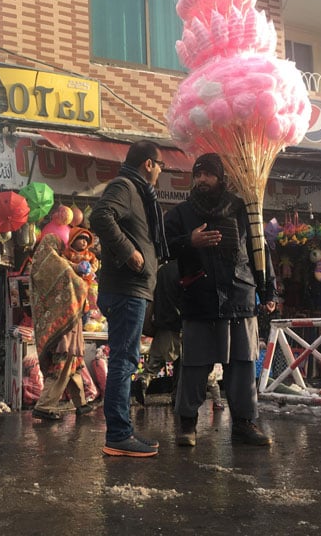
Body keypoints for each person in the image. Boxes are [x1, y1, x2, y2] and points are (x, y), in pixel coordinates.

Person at [164, 153, 276, 447]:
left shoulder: (243, 209)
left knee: (242, 364)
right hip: (199, 297)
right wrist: (190, 241)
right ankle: (187, 425)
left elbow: (258, 250)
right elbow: (161, 247)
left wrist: (268, 290)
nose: (202, 180)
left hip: (240, 295)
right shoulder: (180, 214)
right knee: (194, 366)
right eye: (197, 174)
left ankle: (244, 424)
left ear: (221, 177)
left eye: (208, 174)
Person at [90, 140, 167, 457]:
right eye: (160, 165)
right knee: (124, 360)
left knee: (125, 358)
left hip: (130, 288)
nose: (161, 171)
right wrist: (131, 253)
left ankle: (123, 432)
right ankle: (118, 435)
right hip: (125, 288)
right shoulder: (125, 186)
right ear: (149, 164)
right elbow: (100, 217)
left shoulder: (139, 194)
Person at [29, 233, 94, 420]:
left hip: (56, 323)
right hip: (65, 324)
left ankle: (81, 404)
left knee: (73, 365)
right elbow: (78, 287)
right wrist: (83, 277)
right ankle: (44, 406)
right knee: (63, 365)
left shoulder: (38, 265)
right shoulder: (59, 264)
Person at [132, 260, 182, 407]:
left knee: (154, 362)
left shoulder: (160, 271)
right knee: (182, 363)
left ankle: (143, 380)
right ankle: (177, 396)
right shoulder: (184, 267)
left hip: (161, 323)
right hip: (179, 324)